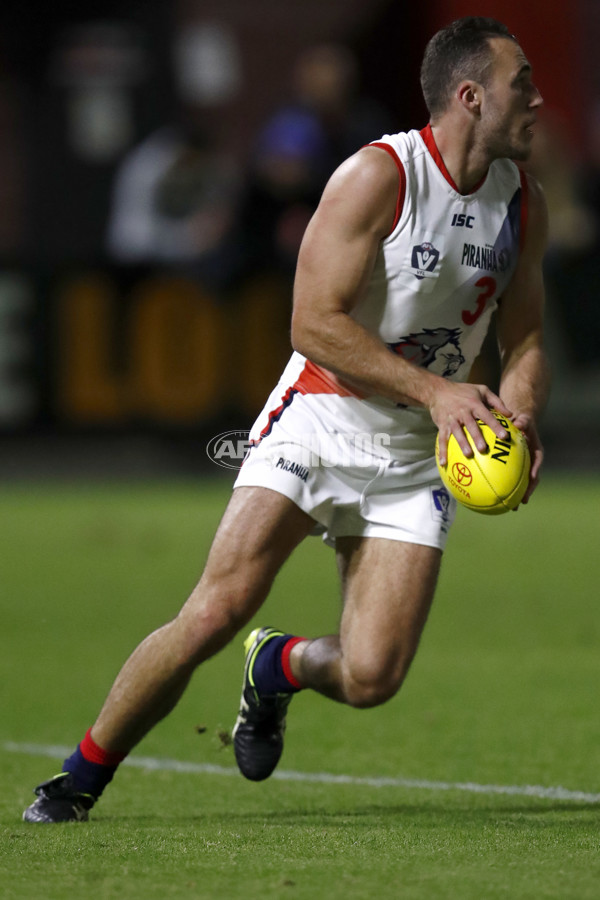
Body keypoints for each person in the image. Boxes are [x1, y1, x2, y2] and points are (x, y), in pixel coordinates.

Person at [23, 16, 550, 822]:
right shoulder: (381, 176)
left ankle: (278, 666)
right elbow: (313, 324)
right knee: (214, 609)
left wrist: (520, 416)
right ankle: (78, 777)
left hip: (417, 453)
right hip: (321, 416)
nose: (538, 99)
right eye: (524, 84)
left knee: (373, 678)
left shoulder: (522, 205)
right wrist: (441, 392)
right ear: (470, 96)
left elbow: (526, 335)